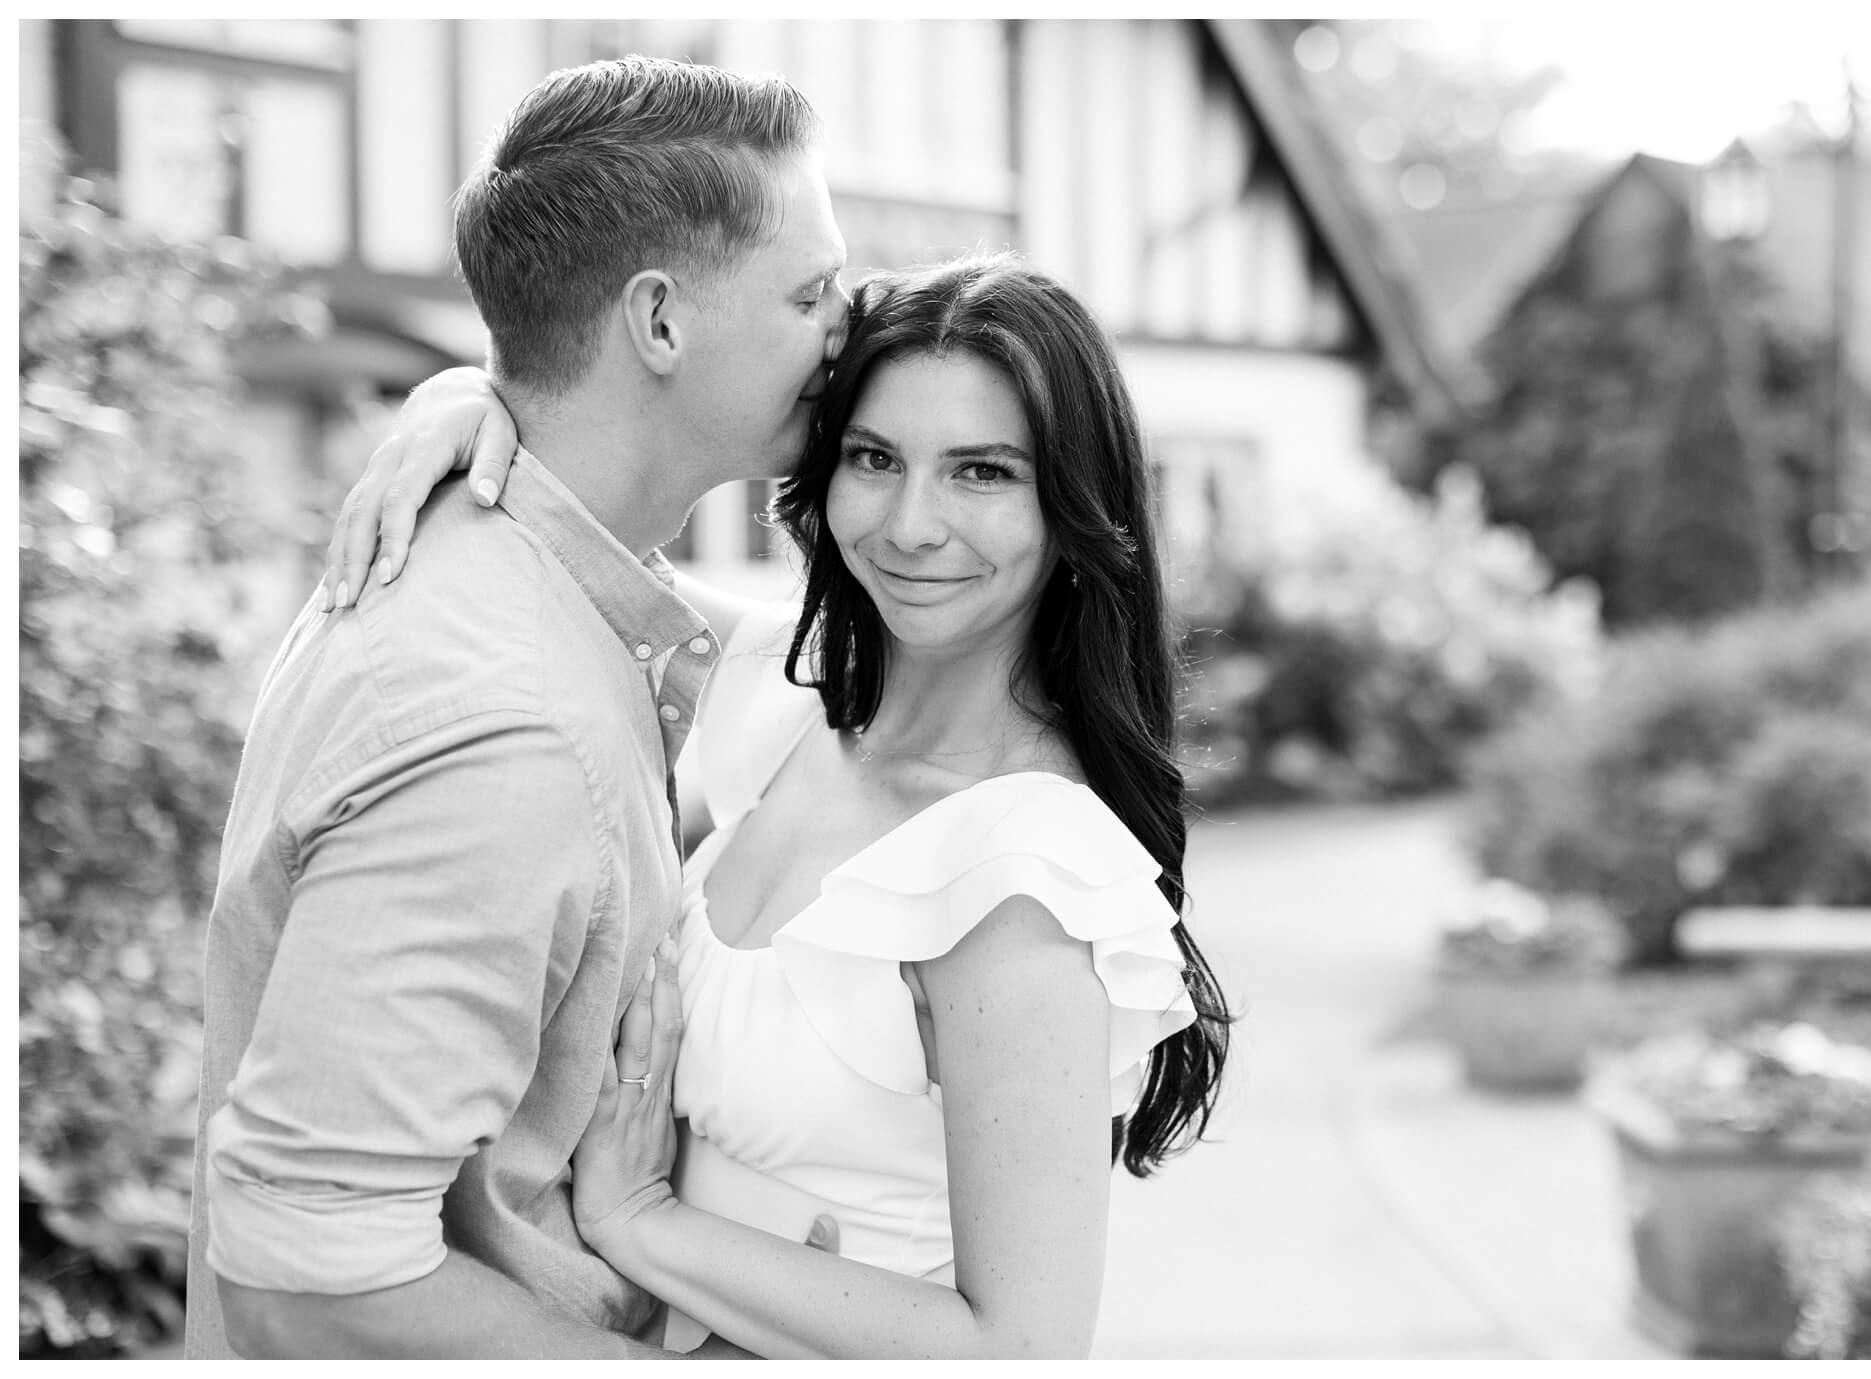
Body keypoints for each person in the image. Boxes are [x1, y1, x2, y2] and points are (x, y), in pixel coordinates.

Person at [324, 252, 1233, 1358]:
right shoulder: (780, 702)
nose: (910, 524)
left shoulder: (1022, 882)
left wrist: (641, 1223)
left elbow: (1020, 1346)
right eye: (874, 457)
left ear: (1070, 505)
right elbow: (569, 523)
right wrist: (458, 398)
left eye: (982, 472)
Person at [186, 56, 850, 1359]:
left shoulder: (509, 571)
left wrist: (465, 395)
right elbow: (309, 1274)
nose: (845, 329)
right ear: (658, 321)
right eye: (812, 292)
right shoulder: (508, 719)